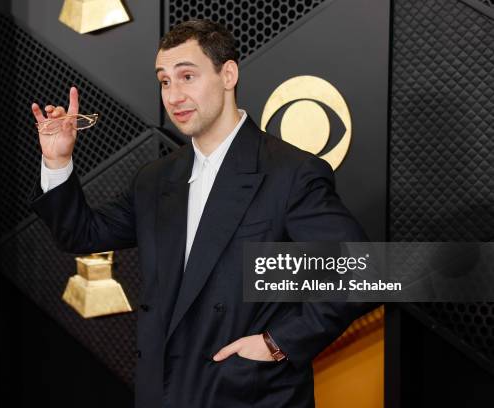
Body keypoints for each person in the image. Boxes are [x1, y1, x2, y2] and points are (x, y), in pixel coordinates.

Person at [30, 19, 374, 408]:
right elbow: (82, 234)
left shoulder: (289, 173)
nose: (173, 95)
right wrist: (56, 160)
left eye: (187, 76)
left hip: (249, 395)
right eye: (164, 81)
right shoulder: (156, 179)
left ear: (228, 74)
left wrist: (277, 344)